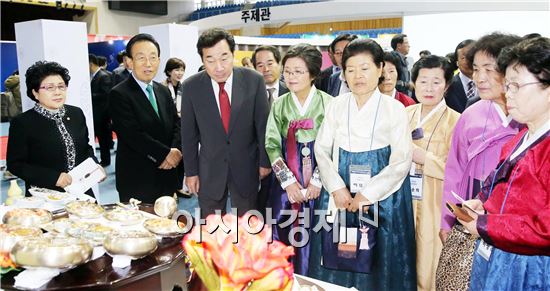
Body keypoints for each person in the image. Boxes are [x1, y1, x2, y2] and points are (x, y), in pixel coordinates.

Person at [312, 39, 416, 290]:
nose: (357, 76)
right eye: (350, 69)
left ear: (380, 68)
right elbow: (322, 149)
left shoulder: (395, 109)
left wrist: (368, 194)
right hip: (341, 194)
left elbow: (401, 160)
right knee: (341, 249)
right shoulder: (337, 105)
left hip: (382, 196)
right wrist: (336, 188)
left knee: (379, 258)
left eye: (365, 68)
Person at [461, 36, 550, 291]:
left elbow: (546, 229)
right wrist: (481, 202)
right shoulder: (522, 136)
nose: (507, 94)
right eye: (507, 85)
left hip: (531, 268)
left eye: (516, 86)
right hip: (496, 255)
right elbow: (498, 185)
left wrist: (485, 225)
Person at [436, 32, 521, 290]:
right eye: (475, 69)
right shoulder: (471, 114)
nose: (479, 77)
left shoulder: (530, 115)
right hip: (473, 212)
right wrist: (446, 220)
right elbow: (455, 170)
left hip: (513, 219)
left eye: (489, 69)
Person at [181, 28, 270, 217]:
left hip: (247, 166)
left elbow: (262, 126)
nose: (218, 67)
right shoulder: (191, 87)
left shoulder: (254, 80)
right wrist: (191, 172)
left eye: (224, 58)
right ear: (202, 60)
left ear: (233, 54)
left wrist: (264, 161)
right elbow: (188, 135)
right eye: (210, 60)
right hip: (209, 169)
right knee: (211, 227)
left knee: (248, 226)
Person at [264, 43, 332, 275]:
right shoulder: (280, 104)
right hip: (287, 184)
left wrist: (317, 180)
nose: (291, 77)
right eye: (288, 71)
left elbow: (333, 146)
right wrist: (288, 182)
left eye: (298, 71)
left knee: (318, 231)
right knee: (283, 232)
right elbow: (272, 145)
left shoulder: (329, 103)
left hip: (319, 183)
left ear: (313, 73)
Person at [7, 61, 103, 194]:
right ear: (35, 92)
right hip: (45, 194)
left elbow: (85, 148)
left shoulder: (76, 113)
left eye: (61, 86)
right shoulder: (23, 122)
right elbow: (16, 164)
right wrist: (53, 178)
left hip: (80, 190)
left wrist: (95, 166)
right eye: (50, 88)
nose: (57, 92)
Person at [406, 55, 460, 291]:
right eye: (423, 81)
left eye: (436, 82)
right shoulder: (403, 115)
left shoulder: (456, 121)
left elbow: (457, 169)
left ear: (447, 85)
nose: (429, 88)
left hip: (434, 203)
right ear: (413, 83)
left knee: (428, 261)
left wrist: (423, 158)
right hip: (403, 200)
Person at [109, 33, 182, 203]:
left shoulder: (162, 90)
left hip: (167, 173)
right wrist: (165, 154)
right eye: (141, 58)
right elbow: (133, 134)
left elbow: (177, 124)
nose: (148, 64)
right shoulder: (119, 93)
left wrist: (176, 151)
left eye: (153, 57)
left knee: (168, 223)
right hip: (138, 177)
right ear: (129, 61)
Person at [251, 45, 289, 214]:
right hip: (256, 164)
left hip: (289, 163)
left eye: (270, 63)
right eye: (260, 65)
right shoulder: (246, 96)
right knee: (257, 210)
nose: (265, 69)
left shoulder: (293, 91)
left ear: (279, 65)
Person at [89, 54, 113, 167]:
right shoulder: (94, 76)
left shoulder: (103, 76)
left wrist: (89, 96)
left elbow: (106, 95)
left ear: (91, 63)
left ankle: (106, 160)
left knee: (103, 140)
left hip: (102, 115)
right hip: (95, 114)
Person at [444, 39, 477, 113]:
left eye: (471, 56)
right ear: (457, 62)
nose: (468, 61)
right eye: (463, 57)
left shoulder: (492, 85)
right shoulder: (447, 86)